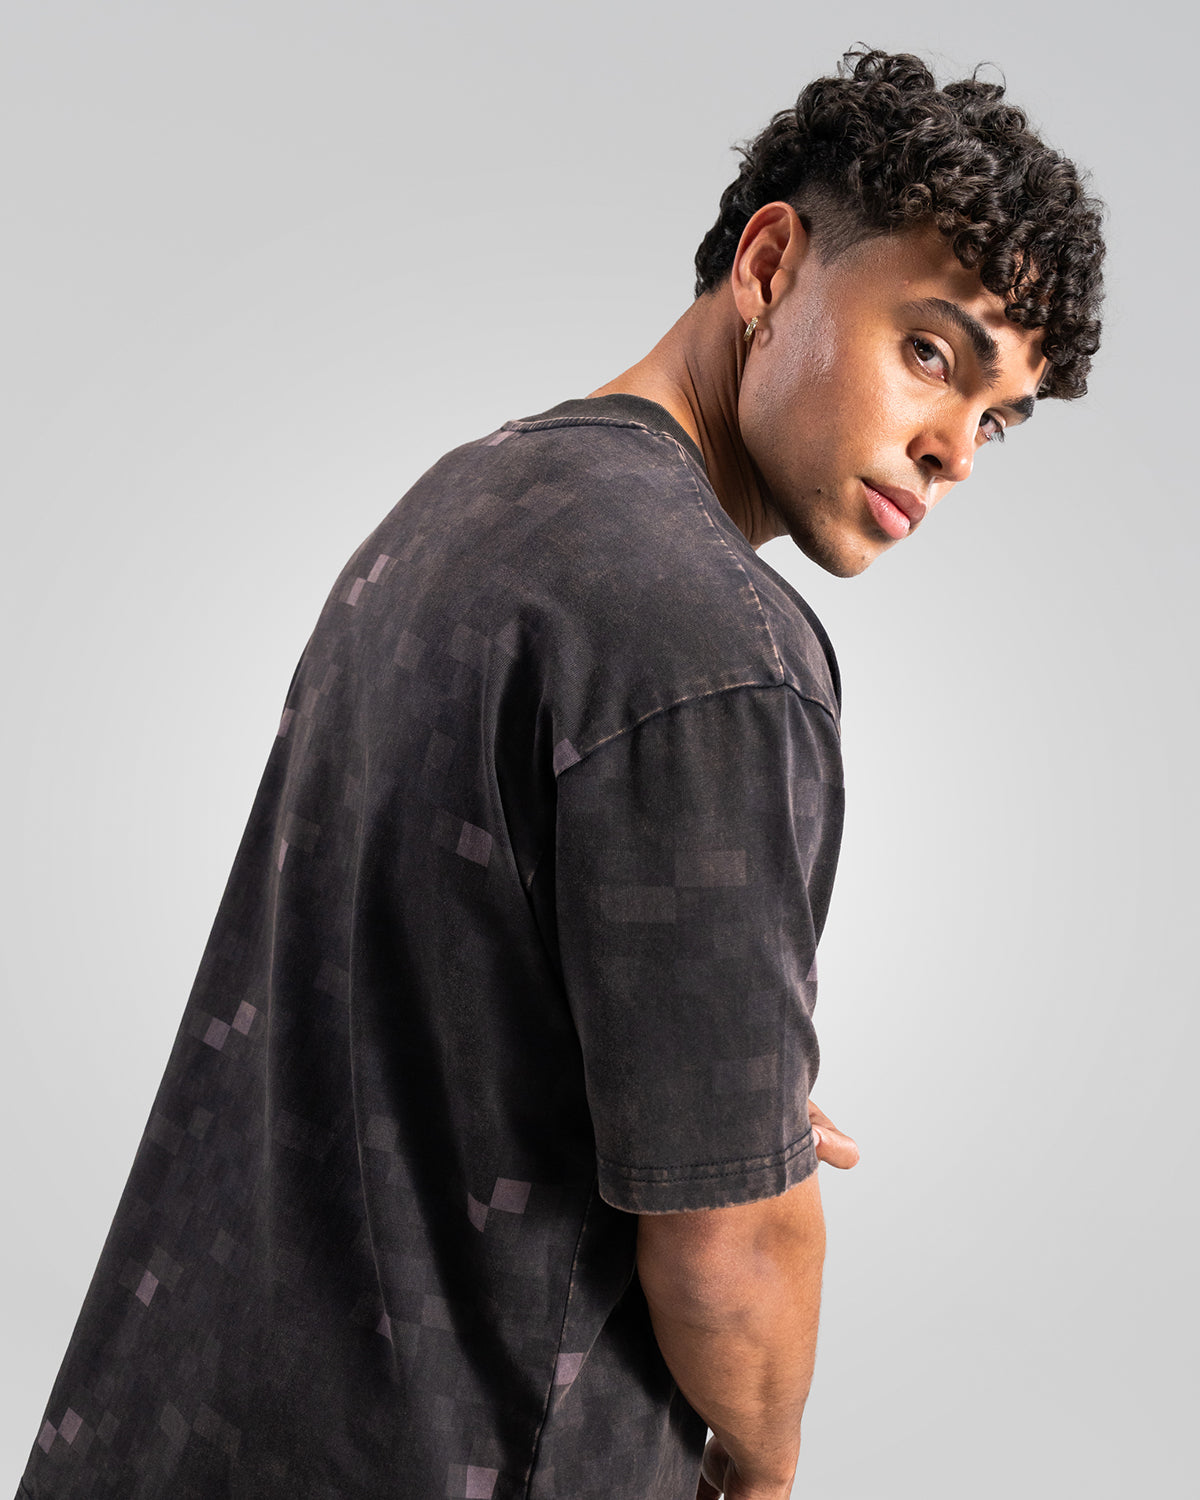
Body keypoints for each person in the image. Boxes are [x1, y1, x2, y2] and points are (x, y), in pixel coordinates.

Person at [17, 45, 1104, 1500]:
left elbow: (419, 975)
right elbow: (730, 1244)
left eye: (997, 417)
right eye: (932, 353)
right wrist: (764, 1461)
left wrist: (701, 1072)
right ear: (770, 265)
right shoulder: (719, 647)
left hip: (164, 1429)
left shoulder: (463, 501)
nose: (955, 448)